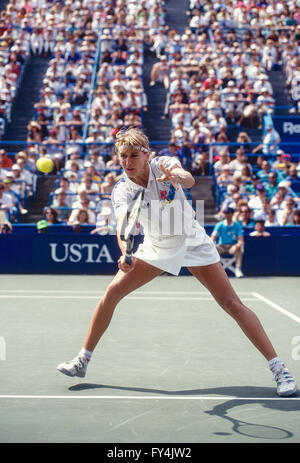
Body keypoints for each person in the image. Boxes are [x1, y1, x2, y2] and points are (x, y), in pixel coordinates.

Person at [57, 128, 297, 397]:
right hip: (156, 246)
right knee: (112, 293)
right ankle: (82, 360)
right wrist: (125, 253)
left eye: (134, 155)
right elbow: (123, 227)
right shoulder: (121, 190)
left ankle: (279, 370)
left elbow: (189, 179)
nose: (127, 162)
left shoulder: (163, 164)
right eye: (123, 156)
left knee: (232, 304)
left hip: (191, 239)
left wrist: (178, 177)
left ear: (147, 155)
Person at [211, 207, 244, 279]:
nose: (226, 215)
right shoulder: (219, 225)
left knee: (239, 248)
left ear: (232, 214)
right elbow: (213, 236)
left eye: (228, 213)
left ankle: (238, 269)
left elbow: (240, 238)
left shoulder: (237, 225)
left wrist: (239, 243)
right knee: (213, 249)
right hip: (221, 246)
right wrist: (212, 244)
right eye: (225, 213)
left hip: (232, 246)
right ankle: (217, 271)